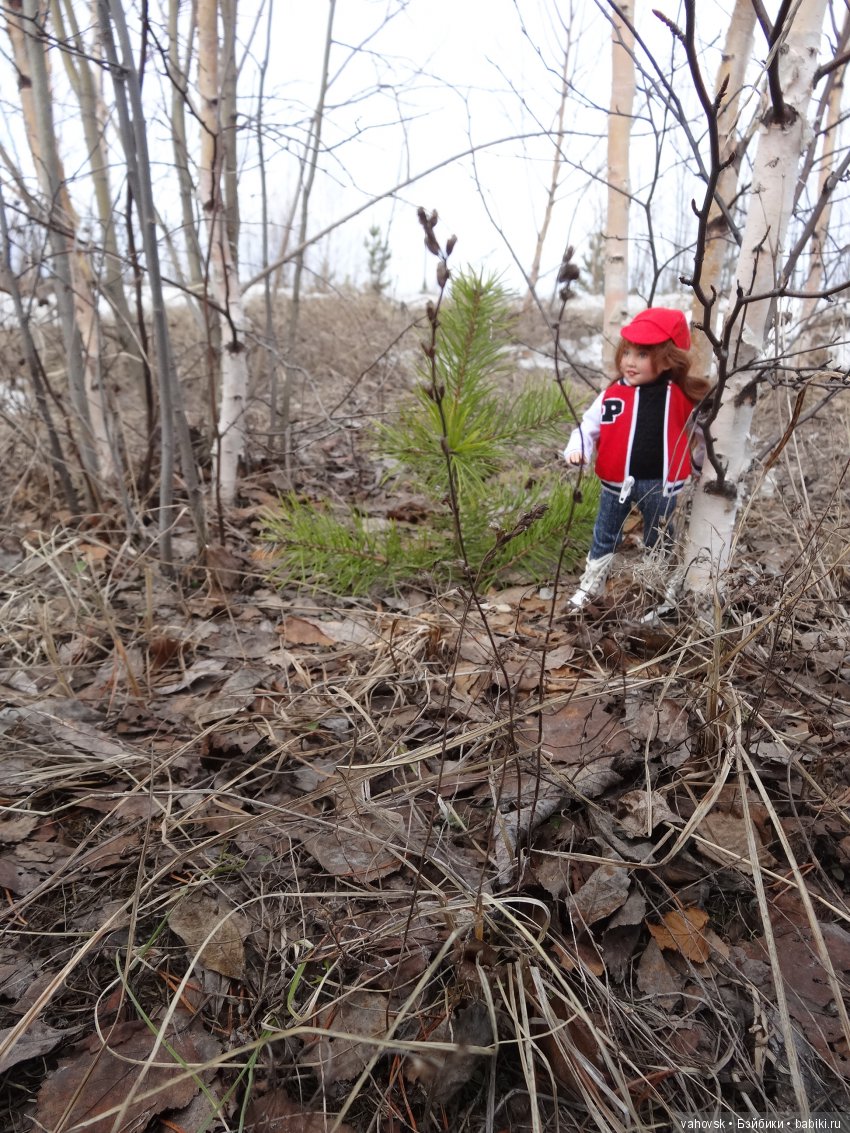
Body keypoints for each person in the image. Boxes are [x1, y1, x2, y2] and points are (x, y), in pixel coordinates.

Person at [563, 307, 710, 610]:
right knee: (604, 534)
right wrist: (578, 449)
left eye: (642, 355)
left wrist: (699, 464)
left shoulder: (680, 397)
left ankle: (659, 588)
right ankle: (591, 586)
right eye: (627, 352)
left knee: (660, 538)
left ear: (668, 358)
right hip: (616, 481)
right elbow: (588, 426)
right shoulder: (613, 394)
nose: (630, 362)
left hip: (661, 484)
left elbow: (704, 434)